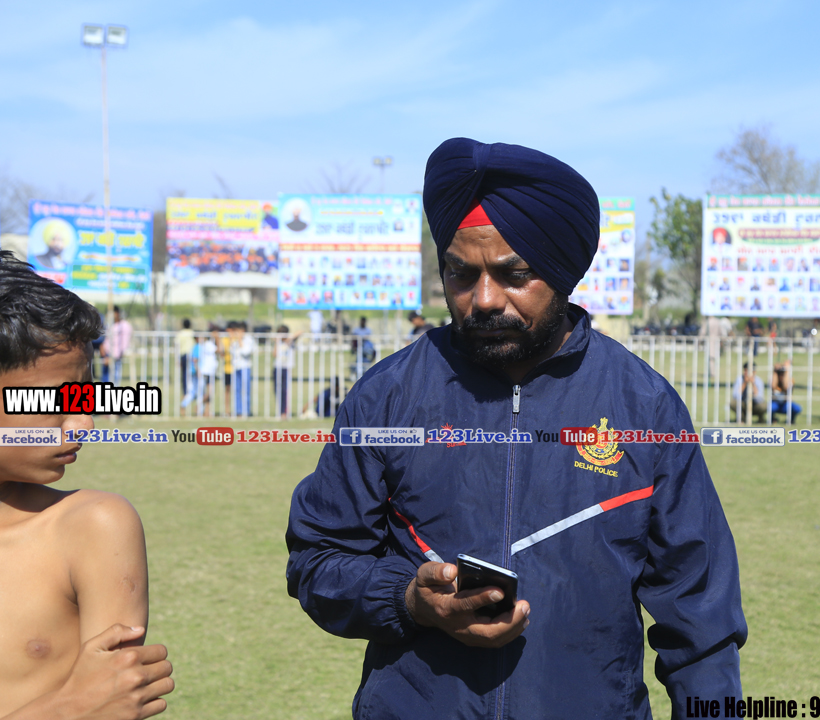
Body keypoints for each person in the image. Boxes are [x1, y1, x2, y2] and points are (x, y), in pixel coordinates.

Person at [286, 138, 746, 719]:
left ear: (562, 271)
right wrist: (409, 600)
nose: (483, 299)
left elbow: (701, 617)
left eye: (514, 273)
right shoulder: (386, 398)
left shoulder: (645, 407)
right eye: (461, 274)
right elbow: (319, 559)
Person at [0, 249, 173, 718]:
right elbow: (91, 704)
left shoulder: (91, 527)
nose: (84, 422)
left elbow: (114, 704)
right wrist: (67, 707)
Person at [273, 325, 304, 419]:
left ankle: (285, 412)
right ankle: (281, 410)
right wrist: (276, 342)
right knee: (277, 391)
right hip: (277, 367)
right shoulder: (278, 342)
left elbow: (301, 331)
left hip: (286, 368)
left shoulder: (291, 341)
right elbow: (274, 355)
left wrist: (288, 338)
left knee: (285, 391)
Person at [102, 306, 132, 386]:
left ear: (117, 313)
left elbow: (124, 344)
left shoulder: (124, 326)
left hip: (115, 357)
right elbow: (106, 340)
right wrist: (104, 353)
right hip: (106, 355)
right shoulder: (109, 325)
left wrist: (113, 358)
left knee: (114, 381)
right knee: (105, 379)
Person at [229, 321, 254, 416]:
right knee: (237, 390)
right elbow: (231, 351)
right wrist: (233, 340)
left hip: (245, 367)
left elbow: (245, 352)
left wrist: (240, 341)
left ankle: (246, 411)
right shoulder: (234, 341)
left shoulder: (248, 339)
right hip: (236, 367)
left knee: (246, 390)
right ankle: (238, 411)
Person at [176, 318, 194, 397]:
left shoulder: (180, 334)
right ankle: (191, 391)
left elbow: (177, 346)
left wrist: (177, 359)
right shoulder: (192, 333)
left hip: (183, 355)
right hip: (192, 355)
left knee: (184, 374)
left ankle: (185, 392)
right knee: (192, 374)